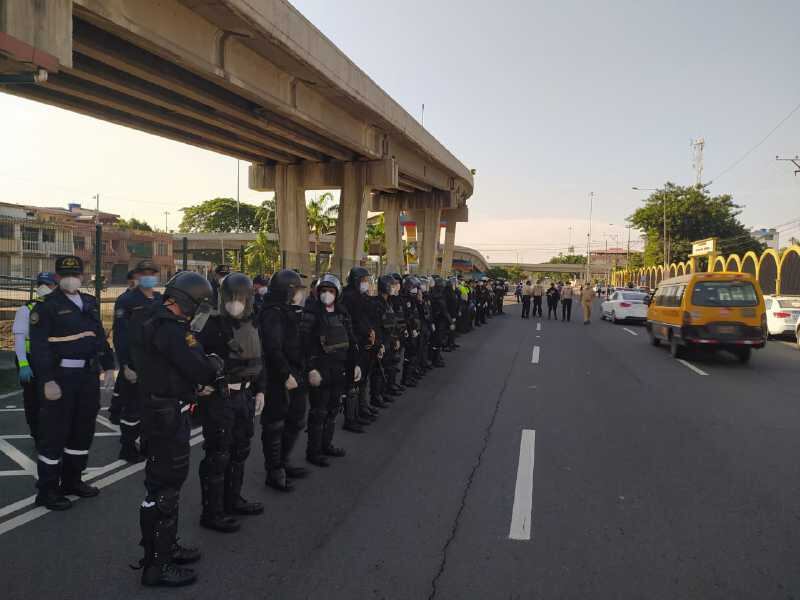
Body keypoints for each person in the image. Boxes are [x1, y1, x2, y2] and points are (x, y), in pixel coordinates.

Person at [132, 270, 219, 587]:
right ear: (186, 300)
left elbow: (172, 368)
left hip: (164, 410)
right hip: (165, 416)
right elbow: (196, 365)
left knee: (166, 486)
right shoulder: (169, 328)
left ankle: (165, 548)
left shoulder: (156, 320)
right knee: (164, 489)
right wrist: (212, 366)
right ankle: (158, 565)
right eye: (199, 304)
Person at [29, 256, 116, 511]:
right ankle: (47, 491)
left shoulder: (88, 302)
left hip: (87, 377)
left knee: (82, 430)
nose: (71, 278)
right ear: (57, 277)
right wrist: (47, 380)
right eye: (66, 274)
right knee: (54, 433)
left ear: (82, 276)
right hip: (60, 377)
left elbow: (99, 337)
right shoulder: (46, 307)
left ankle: (72, 481)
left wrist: (109, 366)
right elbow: (39, 348)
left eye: (75, 273)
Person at [195, 272, 265, 532]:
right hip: (220, 397)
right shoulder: (210, 324)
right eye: (231, 297)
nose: (235, 303)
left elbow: (260, 359)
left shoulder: (253, 322)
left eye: (241, 298)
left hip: (245, 394)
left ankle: (233, 500)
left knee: (240, 450)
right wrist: (199, 384)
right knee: (218, 455)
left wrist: (261, 390)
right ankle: (212, 512)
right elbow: (193, 357)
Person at [259, 269, 309, 492]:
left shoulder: (289, 311)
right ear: (287, 291)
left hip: (295, 372)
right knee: (275, 424)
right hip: (278, 376)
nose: (300, 294)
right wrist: (285, 373)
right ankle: (274, 470)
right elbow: (273, 347)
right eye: (296, 289)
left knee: (296, 419)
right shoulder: (272, 313)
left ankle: (284, 460)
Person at [302, 274, 359, 466]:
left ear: (337, 293)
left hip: (339, 367)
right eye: (324, 291)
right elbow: (305, 343)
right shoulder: (312, 313)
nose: (327, 294)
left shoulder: (342, 312)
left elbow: (350, 339)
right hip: (320, 368)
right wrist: (310, 368)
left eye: (331, 291)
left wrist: (355, 364)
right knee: (318, 412)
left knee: (333, 409)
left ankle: (326, 445)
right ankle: (314, 451)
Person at [113, 259, 162, 463]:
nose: (148, 277)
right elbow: (120, 336)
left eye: (152, 273)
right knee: (132, 409)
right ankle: (128, 447)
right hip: (134, 363)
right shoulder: (127, 300)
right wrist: (125, 365)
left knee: (151, 407)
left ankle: (147, 444)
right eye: (144, 273)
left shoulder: (160, 299)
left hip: (155, 364)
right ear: (137, 276)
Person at [12, 272, 58, 442]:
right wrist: (23, 364)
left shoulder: (59, 308)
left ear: (55, 287)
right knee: (33, 400)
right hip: (30, 360)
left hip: (52, 359)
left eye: (48, 284)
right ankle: (37, 434)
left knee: (52, 398)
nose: (44, 287)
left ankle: (52, 431)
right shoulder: (26, 309)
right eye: (41, 284)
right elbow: (19, 339)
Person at [342, 267, 378, 429]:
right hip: (354, 341)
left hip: (363, 340)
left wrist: (370, 331)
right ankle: (350, 419)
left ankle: (360, 410)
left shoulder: (360, 296)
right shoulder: (349, 297)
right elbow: (355, 321)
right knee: (353, 381)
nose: (366, 283)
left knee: (362, 378)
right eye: (363, 280)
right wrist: (367, 331)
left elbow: (366, 317)